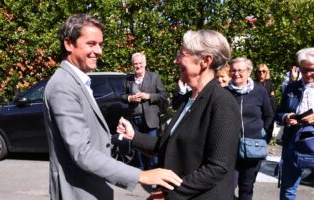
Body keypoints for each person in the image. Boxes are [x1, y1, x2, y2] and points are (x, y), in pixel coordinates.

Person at [42, 13, 182, 200]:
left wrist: (119, 138)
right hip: (79, 192)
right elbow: (81, 152)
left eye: (100, 44)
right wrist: (142, 175)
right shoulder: (63, 86)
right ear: (69, 44)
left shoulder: (78, 81)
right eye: (91, 44)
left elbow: (88, 136)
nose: (98, 51)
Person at [117, 30, 242, 199]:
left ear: (205, 61)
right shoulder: (188, 99)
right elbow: (169, 145)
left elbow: (217, 167)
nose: (176, 60)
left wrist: (170, 195)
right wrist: (133, 136)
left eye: (182, 54)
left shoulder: (222, 103)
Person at [227, 57, 274, 200]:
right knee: (227, 186)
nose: (236, 73)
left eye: (240, 70)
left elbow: (269, 115)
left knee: (246, 187)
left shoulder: (260, 91)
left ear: (249, 71)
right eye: (233, 70)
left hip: (253, 147)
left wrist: (263, 136)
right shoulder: (224, 92)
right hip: (229, 148)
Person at [276, 47, 314, 200]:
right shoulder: (292, 87)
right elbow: (278, 113)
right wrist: (287, 117)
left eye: (312, 70)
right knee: (288, 188)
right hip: (293, 140)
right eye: (304, 70)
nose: (308, 74)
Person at [121, 52, 168, 170]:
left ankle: (154, 172)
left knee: (152, 146)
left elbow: (163, 95)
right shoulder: (128, 79)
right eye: (135, 64)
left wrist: (149, 96)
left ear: (145, 63)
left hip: (151, 119)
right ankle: (141, 171)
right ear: (132, 65)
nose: (138, 66)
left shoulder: (154, 77)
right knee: (138, 146)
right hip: (135, 119)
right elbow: (122, 96)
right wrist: (129, 98)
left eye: (140, 63)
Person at [256, 63, 277, 135]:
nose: (261, 73)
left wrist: (273, 114)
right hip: (258, 112)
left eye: (263, 71)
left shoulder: (270, 84)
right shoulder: (253, 83)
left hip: (268, 112)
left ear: (266, 72)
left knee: (267, 132)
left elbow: (273, 100)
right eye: (259, 71)